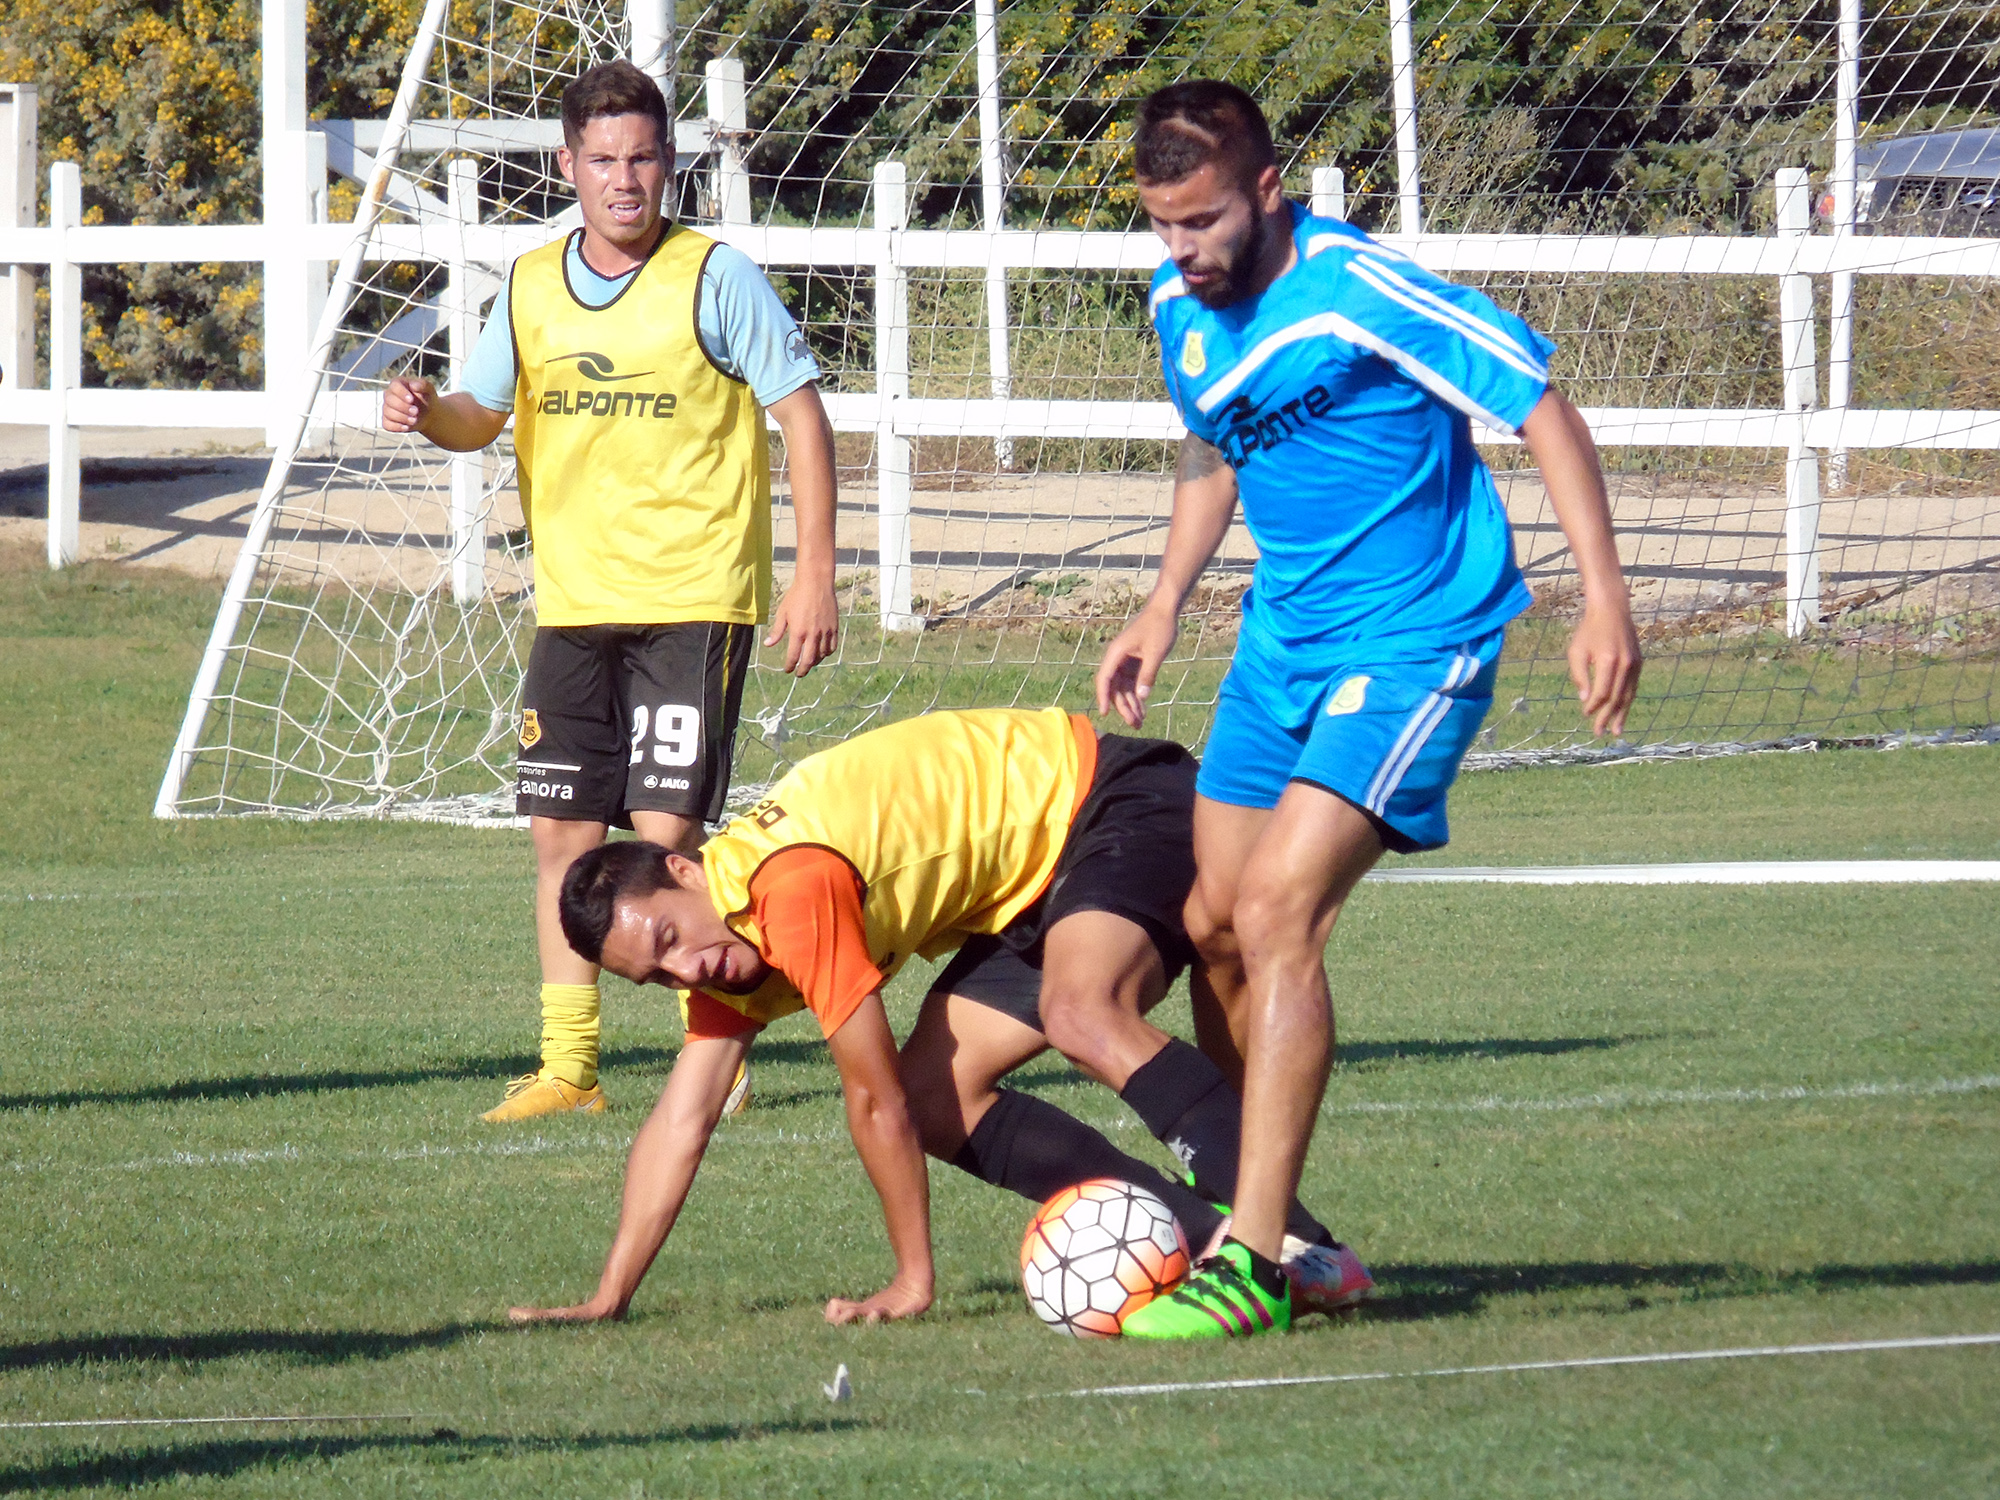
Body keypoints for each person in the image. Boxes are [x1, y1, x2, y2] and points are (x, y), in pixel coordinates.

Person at [1094, 81, 1642, 1339]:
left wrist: (1603, 599)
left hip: (1413, 639)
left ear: (1266, 191)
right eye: (1161, 224)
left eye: (1201, 221)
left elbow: (1539, 405)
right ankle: (1280, 1227)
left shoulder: (1358, 289)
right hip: (1279, 646)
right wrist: (1163, 602)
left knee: (1277, 910)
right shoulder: (1178, 305)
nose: (1181, 249)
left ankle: (1247, 1261)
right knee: (1213, 925)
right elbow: (1211, 445)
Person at [506, 707, 1374, 1326]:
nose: (685, 971)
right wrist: (610, 1295)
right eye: (657, 976)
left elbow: (869, 1098)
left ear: (685, 869)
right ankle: (1221, 1238)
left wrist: (911, 1280)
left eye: (669, 939)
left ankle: (1299, 1245)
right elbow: (680, 1121)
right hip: (1025, 886)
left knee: (1080, 1009)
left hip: (1109, 798)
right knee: (936, 1097)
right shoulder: (722, 951)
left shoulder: (788, 888)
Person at [382, 61, 841, 1122]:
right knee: (561, 838)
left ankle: (715, 1051)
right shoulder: (530, 283)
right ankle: (569, 1071)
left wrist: (814, 573)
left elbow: (803, 419)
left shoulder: (714, 277)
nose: (623, 180)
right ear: (568, 166)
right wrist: (427, 410)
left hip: (694, 598)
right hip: (573, 605)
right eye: (602, 160)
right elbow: (479, 413)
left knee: (665, 838)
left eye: (641, 158)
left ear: (668, 163)